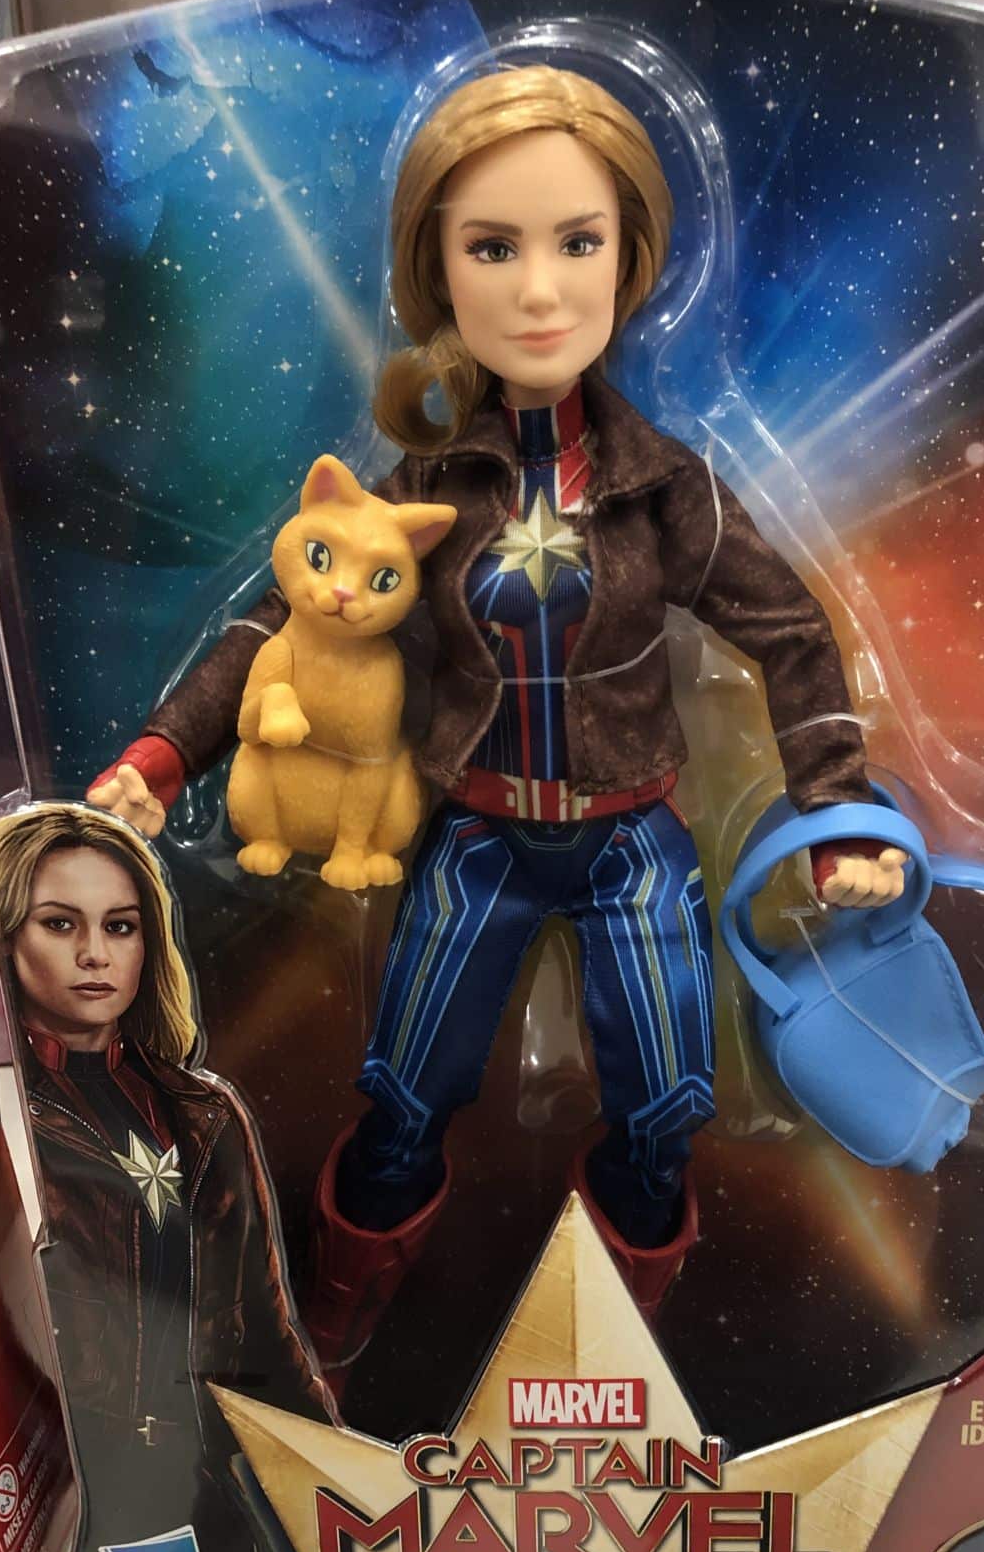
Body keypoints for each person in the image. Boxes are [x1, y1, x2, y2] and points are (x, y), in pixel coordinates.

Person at [88, 67, 905, 1388]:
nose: (538, 290)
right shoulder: (426, 488)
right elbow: (281, 622)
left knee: (664, 1113)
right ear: (438, 269)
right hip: (477, 841)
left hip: (633, 844)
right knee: (405, 1101)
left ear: (631, 258)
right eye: (492, 247)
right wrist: (164, 752)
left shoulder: (665, 491)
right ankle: (336, 1325)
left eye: (577, 243)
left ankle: (620, 1343)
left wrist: (838, 809)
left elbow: (795, 633)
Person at [0, 801, 336, 1552]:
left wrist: (332, 1476)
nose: (95, 953)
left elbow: (264, 1327)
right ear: (3, 935)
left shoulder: (202, 1111)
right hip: (68, 1495)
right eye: (59, 923)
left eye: (121, 925)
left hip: (210, 1480)